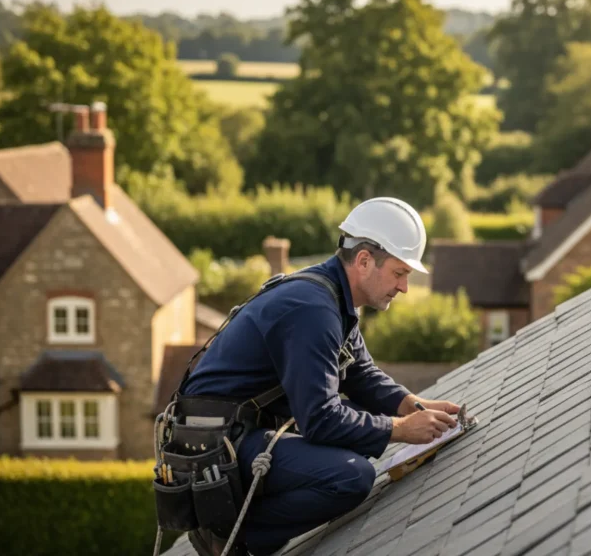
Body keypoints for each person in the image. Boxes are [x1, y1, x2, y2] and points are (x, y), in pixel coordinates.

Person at [181, 197, 460, 556]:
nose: (404, 287)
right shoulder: (312, 310)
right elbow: (320, 419)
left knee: (357, 441)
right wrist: (400, 430)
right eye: (399, 273)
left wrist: (412, 405)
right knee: (350, 476)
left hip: (237, 433)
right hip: (216, 443)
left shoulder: (332, 297)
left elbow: (359, 373)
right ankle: (233, 539)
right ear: (363, 261)